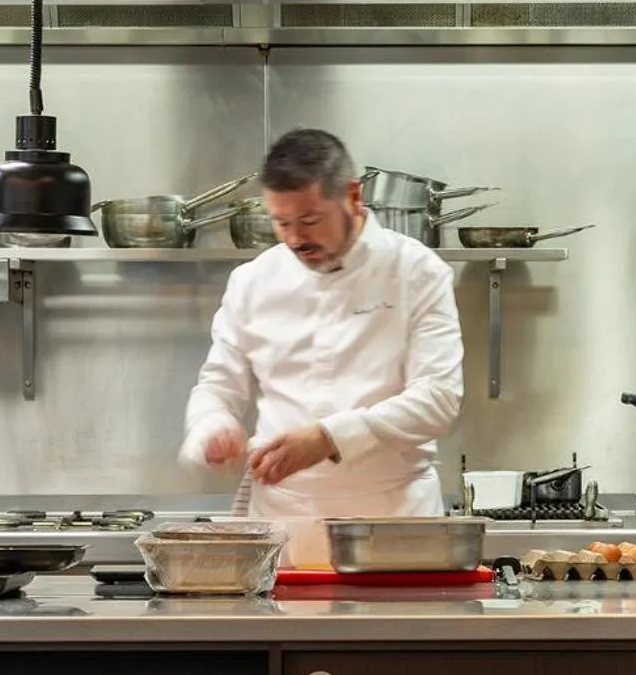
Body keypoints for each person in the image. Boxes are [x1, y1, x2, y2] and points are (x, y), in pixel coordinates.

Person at [181, 128, 465, 566]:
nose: (295, 239)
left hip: (393, 525)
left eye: (310, 220)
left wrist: (329, 438)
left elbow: (438, 399)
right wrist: (212, 426)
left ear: (352, 196)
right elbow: (218, 386)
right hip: (283, 527)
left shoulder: (417, 272)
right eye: (281, 222)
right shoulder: (253, 281)